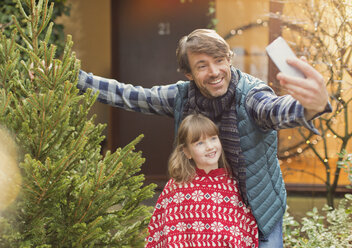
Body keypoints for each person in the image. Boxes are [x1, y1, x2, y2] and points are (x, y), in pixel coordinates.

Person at [76, 29, 331, 247]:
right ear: (189, 74)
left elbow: (275, 110)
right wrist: (74, 77)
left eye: (220, 60)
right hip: (209, 211)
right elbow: (130, 96)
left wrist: (309, 107)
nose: (214, 71)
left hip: (258, 210)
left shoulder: (251, 95)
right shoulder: (182, 97)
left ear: (229, 59)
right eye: (202, 66)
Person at [145, 114, 258, 248]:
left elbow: (247, 233)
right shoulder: (176, 187)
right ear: (186, 152)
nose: (210, 147)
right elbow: (159, 234)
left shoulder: (233, 185)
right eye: (199, 143)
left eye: (213, 138)